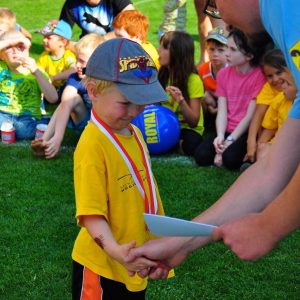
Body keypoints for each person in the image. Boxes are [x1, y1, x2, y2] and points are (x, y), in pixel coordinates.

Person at [125, 0, 300, 276]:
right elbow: (270, 171)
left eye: (212, 5)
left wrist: (270, 224)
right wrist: (181, 242)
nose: (224, 22)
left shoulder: (289, 16)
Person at [71, 38, 173, 299]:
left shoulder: (135, 132)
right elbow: (91, 214)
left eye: (141, 101)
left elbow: (143, 194)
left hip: (133, 258)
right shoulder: (92, 145)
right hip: (103, 266)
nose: (135, 110)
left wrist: (156, 245)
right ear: (93, 91)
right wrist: (116, 251)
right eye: (126, 102)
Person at [194, 28, 265, 170]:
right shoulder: (223, 74)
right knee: (201, 156)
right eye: (226, 47)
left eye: (232, 49)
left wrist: (230, 140)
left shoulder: (259, 76)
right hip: (227, 127)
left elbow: (249, 117)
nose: (226, 53)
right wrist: (220, 136)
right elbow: (222, 111)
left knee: (230, 159)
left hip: (245, 131)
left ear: (249, 55)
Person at [31, 33, 104, 159]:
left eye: (82, 61)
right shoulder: (75, 78)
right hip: (86, 125)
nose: (77, 65)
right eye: (77, 59)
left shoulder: (107, 80)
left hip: (105, 128)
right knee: (70, 99)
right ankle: (46, 140)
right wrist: (58, 138)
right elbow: (65, 104)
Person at [0, 30, 57, 140]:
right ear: (1, 55)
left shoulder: (36, 71)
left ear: (27, 51)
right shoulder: (1, 67)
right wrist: (12, 41)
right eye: (9, 47)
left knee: (23, 132)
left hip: (27, 116)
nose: (15, 51)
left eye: (20, 47)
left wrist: (36, 72)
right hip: (3, 113)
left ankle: (43, 124)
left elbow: (53, 98)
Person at [158, 31, 205, 156]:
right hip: (165, 125)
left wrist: (181, 101)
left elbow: (194, 122)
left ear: (176, 53)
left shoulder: (193, 80)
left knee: (193, 144)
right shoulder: (162, 74)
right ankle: (174, 144)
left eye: (163, 47)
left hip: (186, 128)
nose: (158, 50)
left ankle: (172, 144)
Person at [244, 49, 287, 165]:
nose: (275, 79)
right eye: (270, 76)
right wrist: (252, 143)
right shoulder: (270, 90)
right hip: (272, 134)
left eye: (279, 73)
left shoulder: (289, 94)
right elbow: (258, 115)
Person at [256, 69, 297, 160]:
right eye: (282, 82)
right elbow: (270, 128)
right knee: (264, 149)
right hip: (278, 145)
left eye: (288, 84)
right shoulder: (280, 99)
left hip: (295, 147)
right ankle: (260, 168)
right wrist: (260, 144)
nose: (282, 86)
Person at [37, 20, 76, 98]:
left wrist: (53, 78)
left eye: (48, 38)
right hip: (52, 87)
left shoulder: (68, 56)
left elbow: (73, 70)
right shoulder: (44, 56)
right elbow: (37, 70)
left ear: (63, 42)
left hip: (65, 87)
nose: (44, 40)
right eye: (44, 37)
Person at [59, 0, 134, 40]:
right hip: (90, 49)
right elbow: (60, 34)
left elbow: (132, 21)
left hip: (117, 44)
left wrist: (102, 40)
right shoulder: (72, 3)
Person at [198, 26, 228, 116]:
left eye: (221, 50)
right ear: (206, 48)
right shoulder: (203, 69)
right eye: (212, 49)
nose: (215, 54)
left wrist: (219, 109)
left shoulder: (233, 70)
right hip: (213, 102)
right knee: (204, 96)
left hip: (230, 104)